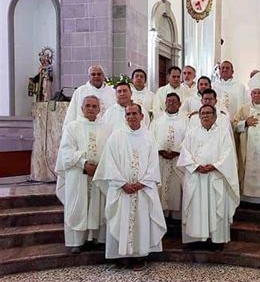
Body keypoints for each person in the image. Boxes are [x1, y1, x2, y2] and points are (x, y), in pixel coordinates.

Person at [93, 104, 167, 270]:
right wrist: (122, 183)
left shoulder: (149, 137)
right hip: (121, 189)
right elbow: (109, 163)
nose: (131, 117)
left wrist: (142, 183)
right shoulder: (116, 136)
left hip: (143, 189)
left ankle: (139, 256)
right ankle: (120, 256)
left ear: (142, 116)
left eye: (134, 113)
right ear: (125, 117)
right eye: (128, 114)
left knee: (141, 221)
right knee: (119, 219)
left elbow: (154, 164)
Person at [177, 104, 239, 248]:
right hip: (196, 178)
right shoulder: (192, 133)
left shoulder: (222, 133)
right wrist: (195, 166)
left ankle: (216, 241)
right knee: (196, 209)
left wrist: (214, 166)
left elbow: (228, 154)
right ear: (199, 116)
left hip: (215, 177)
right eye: (202, 113)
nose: (205, 116)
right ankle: (195, 239)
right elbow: (184, 153)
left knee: (215, 208)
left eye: (208, 113)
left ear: (215, 116)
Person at [55, 96, 108, 254]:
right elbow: (66, 151)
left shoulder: (106, 128)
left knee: (98, 206)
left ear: (99, 109)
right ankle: (77, 241)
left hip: (98, 174)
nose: (91, 108)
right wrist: (84, 163)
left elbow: (110, 151)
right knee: (78, 206)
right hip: (78, 174)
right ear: (82, 108)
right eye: (87, 106)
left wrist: (100, 166)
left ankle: (98, 239)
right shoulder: (73, 127)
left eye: (94, 106)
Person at [233, 72, 260, 204]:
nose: (256, 95)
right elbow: (234, 126)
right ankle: (246, 198)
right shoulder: (244, 109)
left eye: (259, 93)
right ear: (250, 94)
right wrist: (245, 123)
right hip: (247, 149)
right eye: (254, 93)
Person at [150, 93, 187, 219]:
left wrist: (176, 151)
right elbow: (150, 138)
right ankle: (162, 218)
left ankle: (176, 218)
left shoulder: (185, 120)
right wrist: (160, 150)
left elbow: (190, 138)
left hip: (178, 160)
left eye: (174, 101)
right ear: (165, 103)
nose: (171, 103)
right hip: (160, 160)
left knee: (176, 190)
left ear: (179, 104)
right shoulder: (157, 120)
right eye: (168, 101)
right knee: (161, 189)